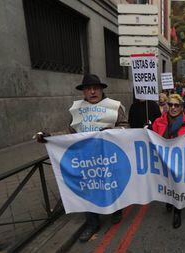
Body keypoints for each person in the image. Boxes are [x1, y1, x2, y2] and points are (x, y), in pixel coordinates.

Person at [35, 74, 129, 242]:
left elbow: (125, 126)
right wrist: (50, 137)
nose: (92, 92)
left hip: (108, 155)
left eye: (96, 88)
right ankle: (92, 223)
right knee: (88, 188)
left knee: (110, 184)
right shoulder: (76, 110)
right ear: (83, 92)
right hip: (86, 157)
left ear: (101, 90)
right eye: (88, 89)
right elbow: (69, 133)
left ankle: (116, 210)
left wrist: (110, 132)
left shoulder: (114, 107)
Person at [152, 94, 185, 228]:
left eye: (176, 105)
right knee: (166, 182)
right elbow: (152, 138)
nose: (173, 107)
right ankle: (168, 200)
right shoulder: (158, 122)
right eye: (170, 104)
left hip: (180, 161)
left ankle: (177, 211)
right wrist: (147, 130)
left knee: (178, 185)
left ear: (182, 107)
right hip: (164, 160)